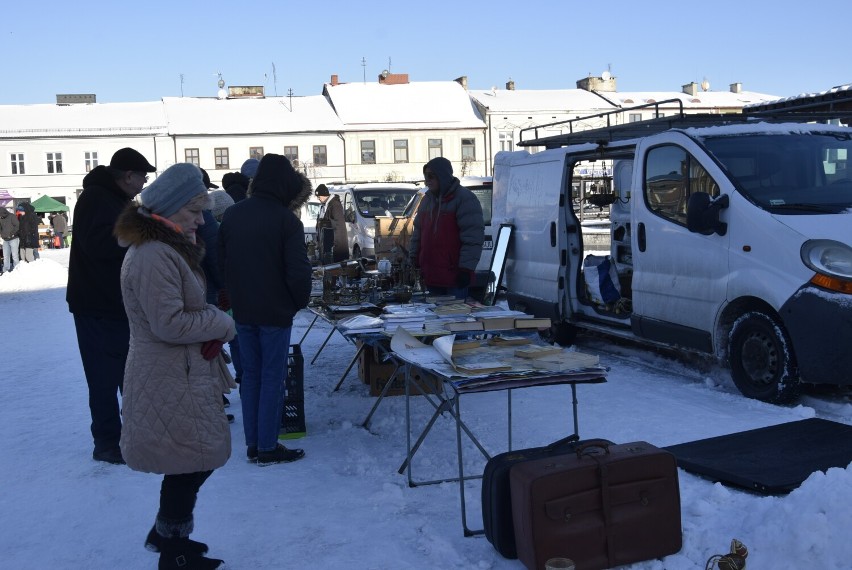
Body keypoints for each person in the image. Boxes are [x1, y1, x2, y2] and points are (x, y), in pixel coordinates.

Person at [114, 162, 235, 570]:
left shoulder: (167, 248)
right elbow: (169, 323)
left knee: (192, 460)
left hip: (180, 371)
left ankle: (168, 534)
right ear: (167, 209)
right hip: (169, 374)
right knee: (190, 462)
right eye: (193, 211)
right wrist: (221, 323)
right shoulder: (153, 255)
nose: (201, 220)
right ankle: (174, 552)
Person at [218, 154, 312, 466]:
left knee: (252, 376)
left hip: (244, 310)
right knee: (272, 377)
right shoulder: (287, 220)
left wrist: (233, 296)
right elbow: (298, 272)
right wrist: (296, 302)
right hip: (275, 311)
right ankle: (268, 446)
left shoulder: (233, 214)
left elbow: (222, 263)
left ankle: (254, 443)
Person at [67, 147, 156, 465]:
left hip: (114, 304)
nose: (145, 182)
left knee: (127, 373)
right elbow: (98, 244)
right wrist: (140, 231)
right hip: (95, 304)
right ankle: (106, 442)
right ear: (127, 175)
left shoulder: (114, 199)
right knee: (103, 378)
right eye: (143, 175)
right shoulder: (96, 198)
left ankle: (130, 434)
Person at [409, 157, 484, 299]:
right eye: (426, 177)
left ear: (442, 176)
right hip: (431, 276)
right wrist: (414, 257)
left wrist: (466, 269)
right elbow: (418, 232)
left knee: (455, 319)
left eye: (431, 176)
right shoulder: (427, 200)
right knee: (432, 319)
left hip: (455, 277)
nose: (427, 181)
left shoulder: (464, 199)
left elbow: (473, 238)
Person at [315, 184, 348, 262]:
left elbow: (338, 225)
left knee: (337, 265)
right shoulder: (328, 205)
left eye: (319, 197)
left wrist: (324, 222)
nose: (318, 199)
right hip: (331, 242)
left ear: (323, 195)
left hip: (337, 244)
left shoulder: (335, 205)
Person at [0, 205, 20, 272]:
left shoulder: (12, 216)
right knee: (6, 256)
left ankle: (17, 269)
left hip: (13, 239)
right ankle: (5, 270)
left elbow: (17, 226)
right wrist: (2, 234)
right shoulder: (1, 218)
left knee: (14, 256)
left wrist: (12, 234)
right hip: (5, 240)